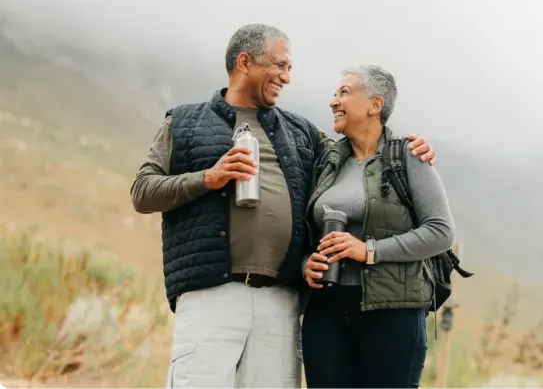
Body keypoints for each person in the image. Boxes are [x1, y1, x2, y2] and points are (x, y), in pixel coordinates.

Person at [129, 24, 436, 389]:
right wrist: (207, 178)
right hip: (211, 293)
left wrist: (407, 147)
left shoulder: (302, 132)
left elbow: (361, 153)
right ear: (245, 62)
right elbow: (143, 191)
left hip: (281, 299)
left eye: (289, 68)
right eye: (279, 65)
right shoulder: (183, 123)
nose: (286, 78)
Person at [301, 65, 455, 389]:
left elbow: (441, 232)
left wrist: (369, 251)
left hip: (392, 314)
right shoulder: (327, 162)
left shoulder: (408, 156)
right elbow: (306, 233)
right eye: (334, 93)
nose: (333, 101)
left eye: (344, 92)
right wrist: (307, 264)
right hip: (325, 312)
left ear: (375, 104)